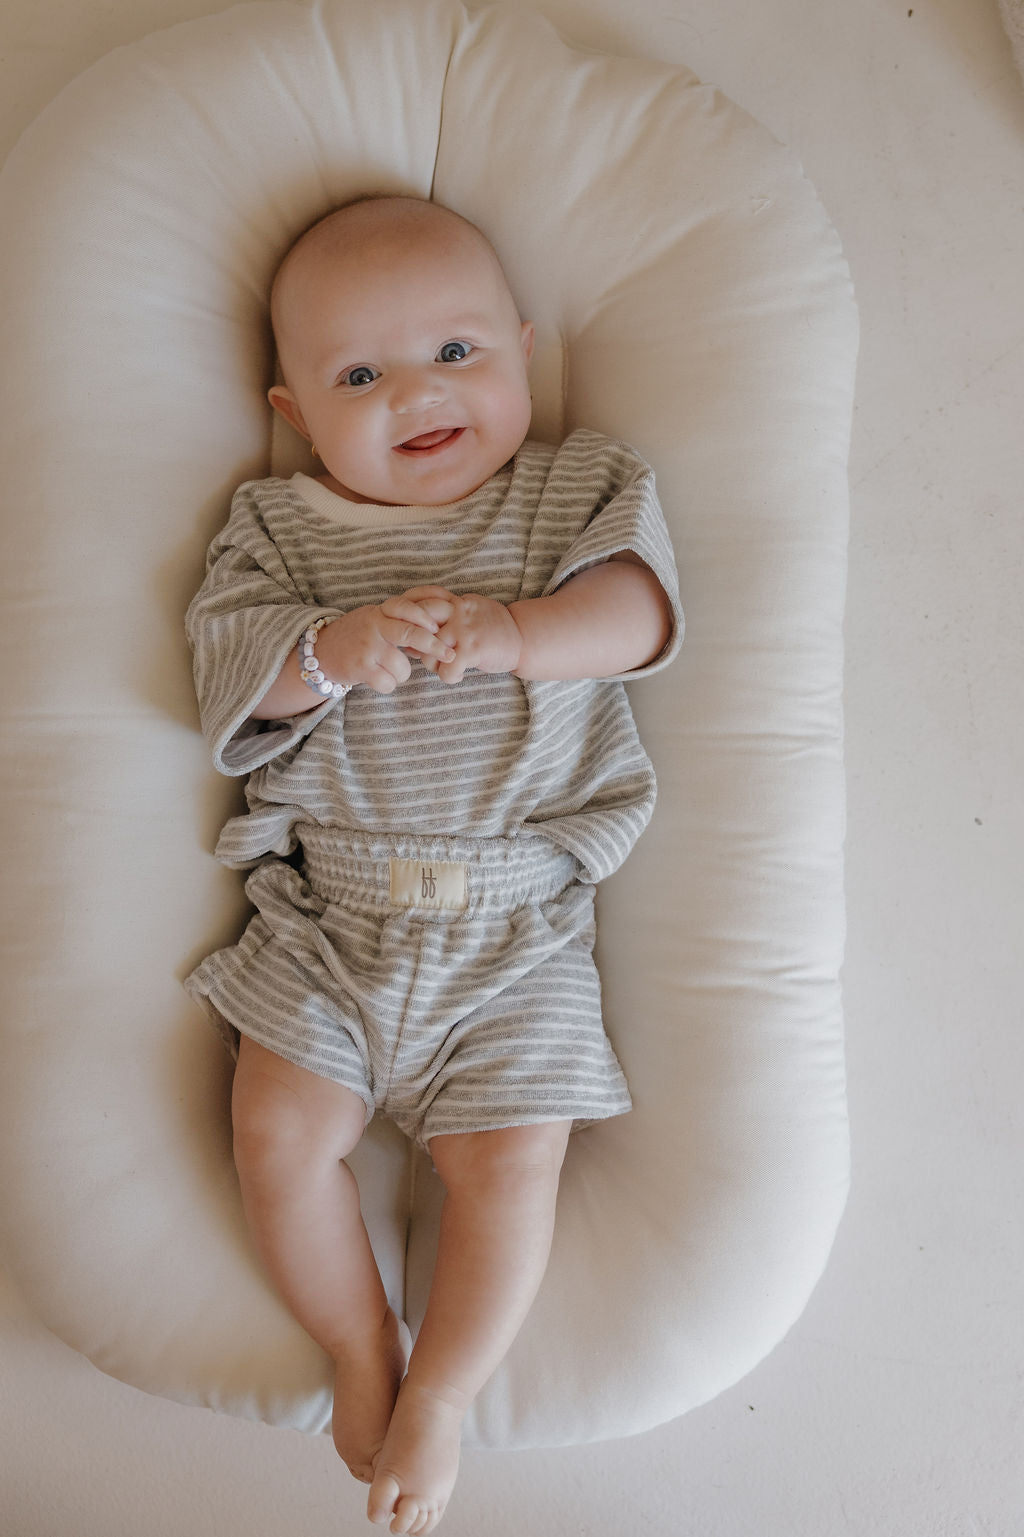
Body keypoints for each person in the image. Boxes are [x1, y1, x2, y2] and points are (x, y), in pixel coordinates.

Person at [184, 194, 682, 1535]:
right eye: (361, 375)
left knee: (512, 1164)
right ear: (291, 408)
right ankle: (361, 1346)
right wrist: (327, 653)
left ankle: (445, 1391)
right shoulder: (280, 533)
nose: (419, 393)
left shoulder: (576, 486)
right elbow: (228, 681)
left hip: (516, 933)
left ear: (525, 349)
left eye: (459, 353)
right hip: (326, 918)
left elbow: (638, 616)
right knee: (276, 1136)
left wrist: (521, 633)